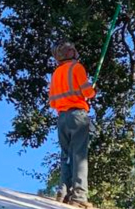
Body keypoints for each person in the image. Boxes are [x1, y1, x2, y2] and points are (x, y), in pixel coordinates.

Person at [49, 42, 96, 208]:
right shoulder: (77, 68)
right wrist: (92, 90)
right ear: (69, 52)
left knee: (66, 156)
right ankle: (79, 197)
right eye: (73, 49)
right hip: (77, 115)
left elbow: (52, 102)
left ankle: (62, 193)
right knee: (79, 156)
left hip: (62, 118)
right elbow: (88, 92)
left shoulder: (56, 73)